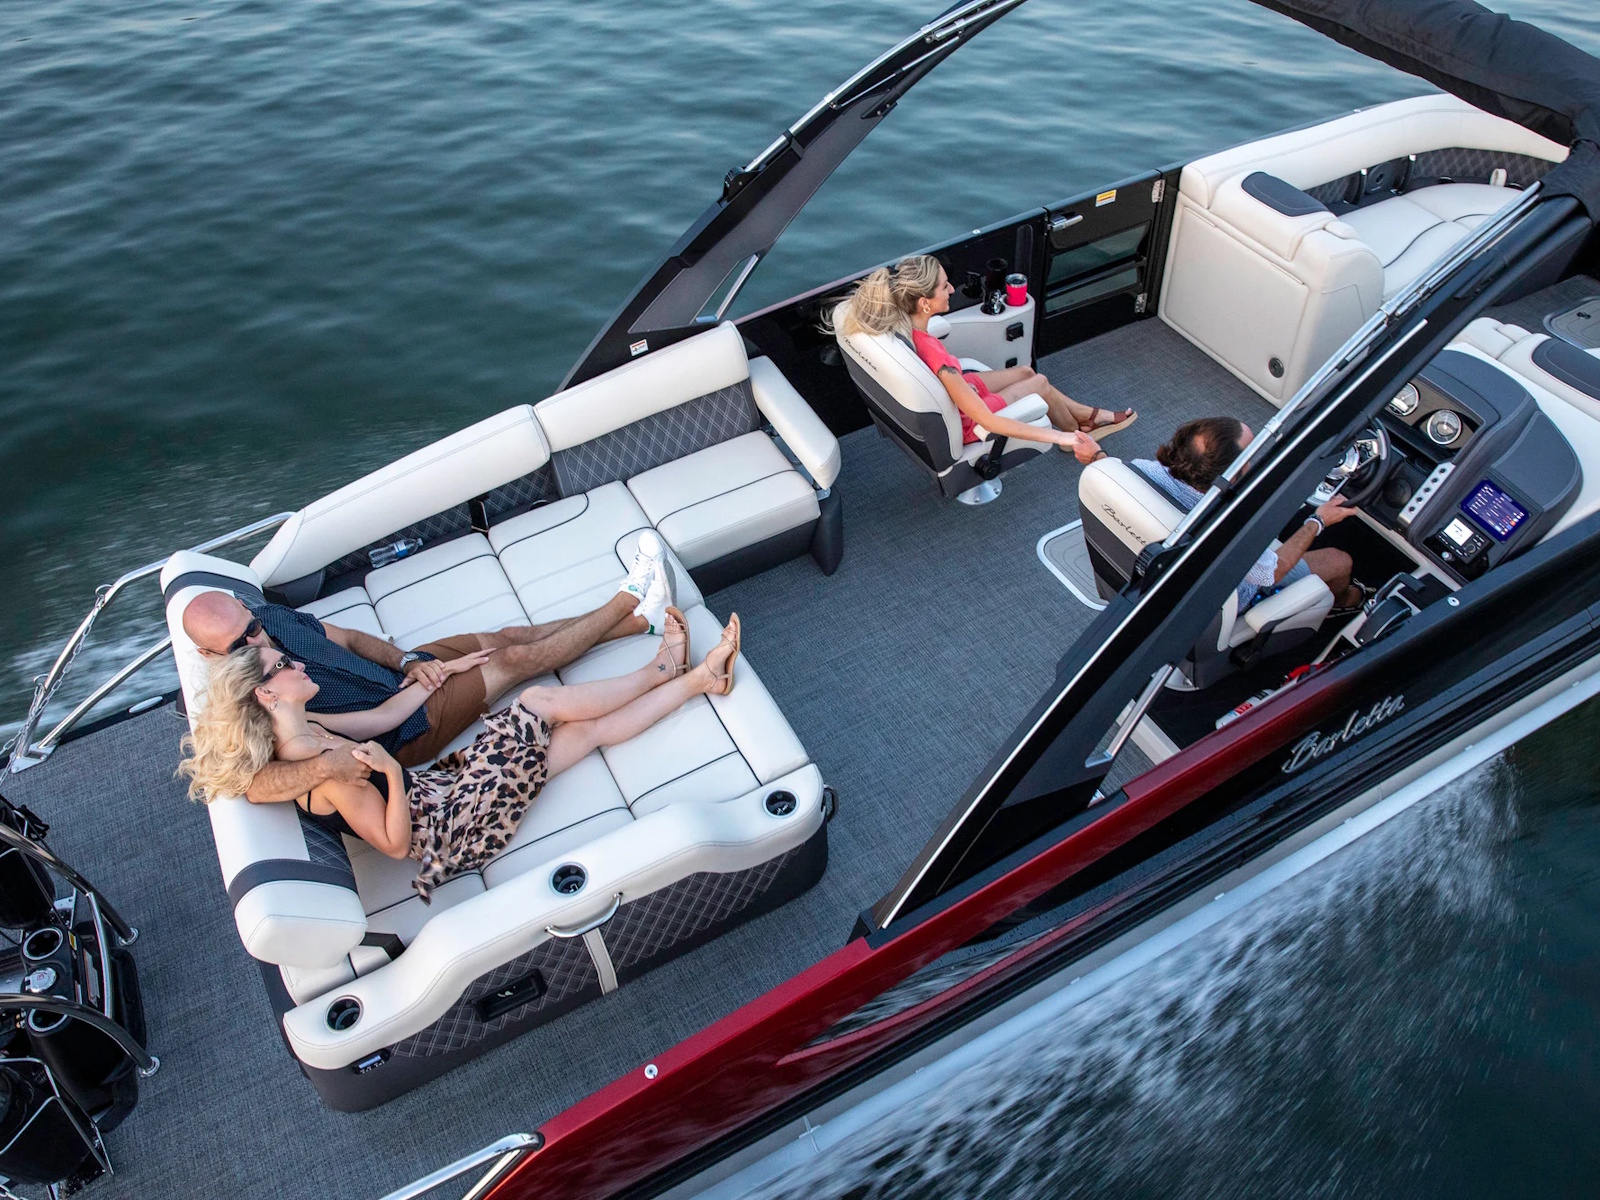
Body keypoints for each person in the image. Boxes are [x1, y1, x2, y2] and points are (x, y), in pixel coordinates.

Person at [178, 608, 741, 901]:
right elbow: (395, 845)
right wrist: (389, 772)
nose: (298, 663)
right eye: (284, 666)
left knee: (582, 734)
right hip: (448, 830)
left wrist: (439, 672)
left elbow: (383, 719)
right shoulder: (325, 776)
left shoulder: (310, 725)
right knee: (538, 703)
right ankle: (663, 668)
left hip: (439, 791)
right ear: (267, 695)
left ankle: (700, 680)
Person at [182, 533, 679, 800]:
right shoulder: (253, 696)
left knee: (507, 636)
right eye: (240, 644)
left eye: (251, 625)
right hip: (407, 727)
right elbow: (253, 782)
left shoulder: (269, 618)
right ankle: (627, 598)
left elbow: (350, 639)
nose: (256, 640)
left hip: (399, 675)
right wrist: (326, 765)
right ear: (209, 656)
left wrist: (408, 660)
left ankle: (643, 623)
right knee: (513, 661)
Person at [835, 254, 1135, 453]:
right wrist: (1058, 436)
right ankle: (1076, 433)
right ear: (924, 303)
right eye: (944, 286)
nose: (952, 290)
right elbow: (986, 421)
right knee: (1039, 383)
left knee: (1026, 372)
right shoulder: (937, 358)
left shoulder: (906, 325)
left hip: (962, 389)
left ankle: (1085, 418)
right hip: (968, 417)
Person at [1074, 416, 1370, 615]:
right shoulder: (1227, 528)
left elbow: (1111, 469)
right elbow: (1270, 572)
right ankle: (1348, 603)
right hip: (1227, 601)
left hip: (1149, 581)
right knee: (1340, 561)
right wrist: (1318, 520)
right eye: (1250, 456)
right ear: (1231, 477)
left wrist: (1098, 456)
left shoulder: (1141, 469)